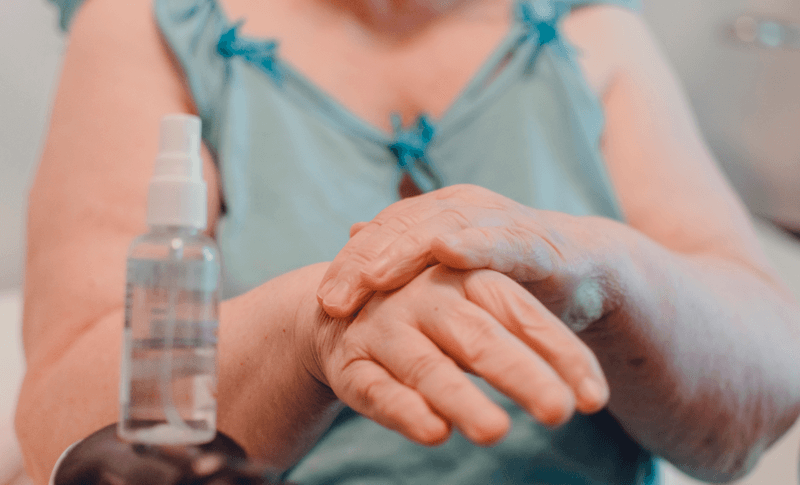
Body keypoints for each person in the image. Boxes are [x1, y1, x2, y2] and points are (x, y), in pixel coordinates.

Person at [15, 0, 800, 483]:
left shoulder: (596, 35)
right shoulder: (150, 24)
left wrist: (597, 271)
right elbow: (61, 430)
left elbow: (764, 398)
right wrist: (312, 328)